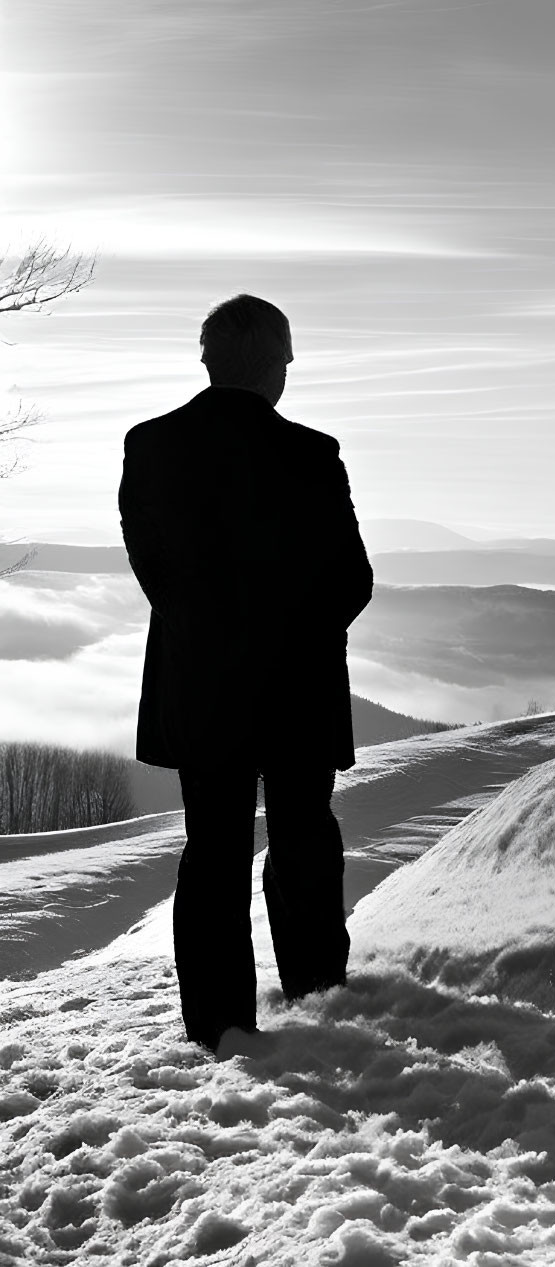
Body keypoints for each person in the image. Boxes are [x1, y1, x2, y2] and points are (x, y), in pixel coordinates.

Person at [119, 294, 374, 1058]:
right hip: (298, 689)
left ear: (208, 360)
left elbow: (153, 569)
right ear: (273, 365)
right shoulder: (311, 453)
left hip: (201, 690)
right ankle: (317, 991)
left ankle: (218, 1024)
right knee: (303, 838)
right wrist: (293, 636)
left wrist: (209, 634)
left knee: (212, 852)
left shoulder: (152, 446)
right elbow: (351, 580)